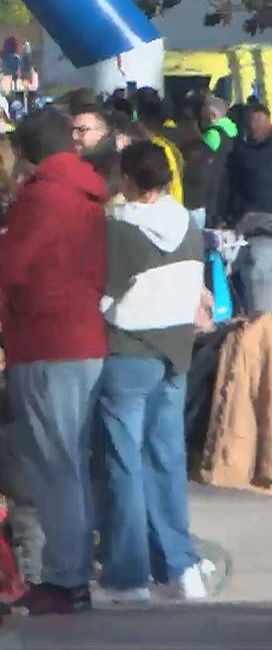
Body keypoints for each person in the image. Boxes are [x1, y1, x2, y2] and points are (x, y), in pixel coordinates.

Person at [0, 107, 108, 615]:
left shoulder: (45, 195)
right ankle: (72, 576)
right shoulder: (86, 190)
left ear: (26, 151)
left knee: (53, 467)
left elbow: (13, 265)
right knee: (69, 465)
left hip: (47, 342)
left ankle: (66, 581)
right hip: (79, 337)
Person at [96, 141, 212, 603]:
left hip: (128, 349)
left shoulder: (118, 228)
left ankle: (129, 575)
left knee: (123, 463)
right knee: (166, 458)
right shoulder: (188, 223)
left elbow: (103, 292)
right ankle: (181, 565)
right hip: (176, 350)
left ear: (126, 179)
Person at [222, 101, 272, 314]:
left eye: (256, 122)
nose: (252, 128)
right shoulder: (241, 152)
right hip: (253, 229)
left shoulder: (243, 154)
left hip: (259, 230)